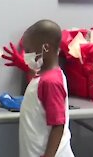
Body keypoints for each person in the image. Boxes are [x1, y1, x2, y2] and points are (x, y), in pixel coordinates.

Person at [19, 19, 74, 157]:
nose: (26, 55)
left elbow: (58, 125)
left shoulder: (51, 82)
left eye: (29, 50)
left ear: (46, 48)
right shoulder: (43, 77)